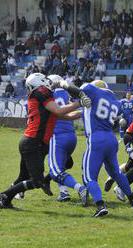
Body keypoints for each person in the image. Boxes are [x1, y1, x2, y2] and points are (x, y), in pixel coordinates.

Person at [0, 73, 91, 209]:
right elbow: (59, 111)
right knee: (37, 181)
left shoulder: (40, 96)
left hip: (35, 142)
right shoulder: (40, 92)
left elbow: (64, 116)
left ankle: (6, 199)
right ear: (39, 82)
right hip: (33, 142)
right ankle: (4, 195)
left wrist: (84, 111)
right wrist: (79, 103)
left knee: (24, 177)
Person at [80, 80, 133, 217]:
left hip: (97, 138)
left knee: (89, 176)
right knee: (116, 173)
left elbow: (82, 88)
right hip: (111, 138)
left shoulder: (94, 93)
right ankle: (132, 201)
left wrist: (63, 85)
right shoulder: (115, 101)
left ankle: (100, 206)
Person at [46, 75, 87, 204]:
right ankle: (63, 192)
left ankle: (79, 188)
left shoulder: (48, 95)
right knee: (60, 167)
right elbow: (73, 113)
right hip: (71, 137)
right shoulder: (66, 93)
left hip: (57, 137)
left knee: (55, 171)